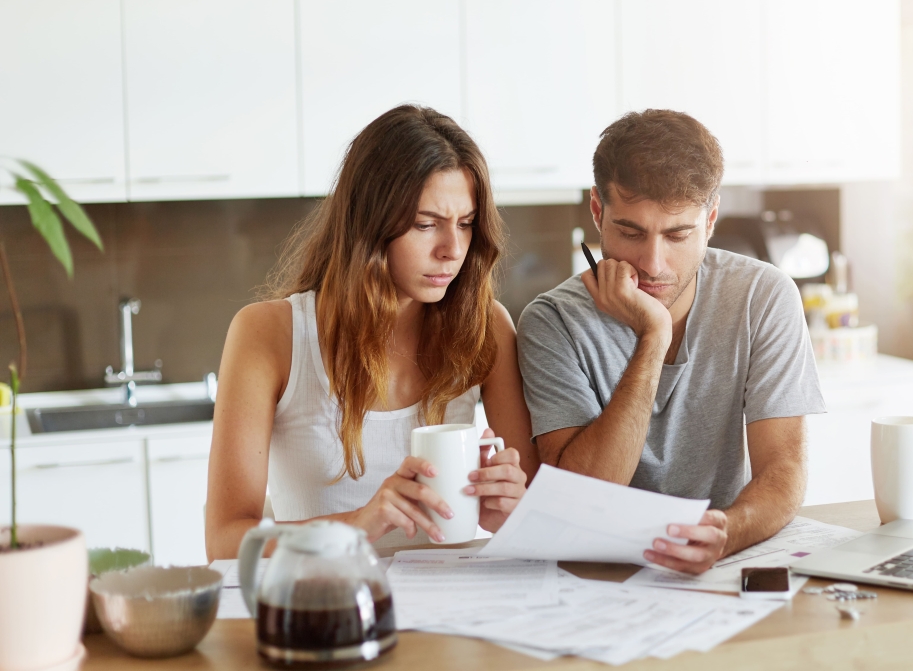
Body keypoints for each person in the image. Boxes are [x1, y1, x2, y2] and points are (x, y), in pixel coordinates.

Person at [206, 105, 538, 560]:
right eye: (426, 224)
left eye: (465, 224)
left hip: (452, 607)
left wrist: (510, 511)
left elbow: (536, 519)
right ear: (369, 222)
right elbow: (224, 541)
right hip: (328, 608)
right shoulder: (269, 334)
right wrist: (359, 525)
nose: (453, 250)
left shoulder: (486, 327)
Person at [517, 109, 825, 575]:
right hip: (593, 574)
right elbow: (578, 500)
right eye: (630, 232)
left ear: (712, 218)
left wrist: (727, 530)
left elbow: (783, 469)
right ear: (598, 213)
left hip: (717, 560)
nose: (653, 263)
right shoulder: (551, 321)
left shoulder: (763, 296)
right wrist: (653, 335)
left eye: (678, 234)